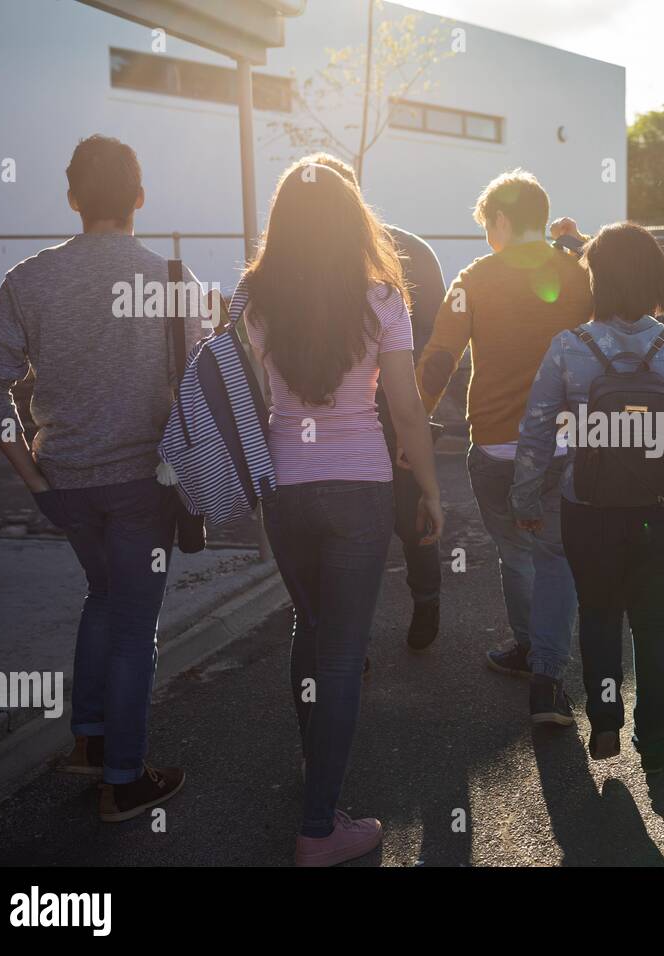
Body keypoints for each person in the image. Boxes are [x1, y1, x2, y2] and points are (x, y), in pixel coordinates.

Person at [0, 135, 203, 821]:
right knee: (135, 624)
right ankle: (123, 781)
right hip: (141, 480)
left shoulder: (29, 278)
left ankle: (92, 743)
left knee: (103, 598)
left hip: (65, 481)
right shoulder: (170, 280)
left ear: (72, 198)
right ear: (139, 196)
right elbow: (193, 390)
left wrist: (32, 477)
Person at [239, 159, 443, 866]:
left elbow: (241, 396)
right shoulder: (382, 296)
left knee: (311, 627)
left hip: (284, 487)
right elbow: (407, 409)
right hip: (360, 486)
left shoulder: (254, 297)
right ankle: (320, 826)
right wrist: (432, 490)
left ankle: (315, 772)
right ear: (353, 218)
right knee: (342, 652)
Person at [510, 223, 664, 773]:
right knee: (656, 623)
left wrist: (527, 499)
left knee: (600, 615)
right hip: (661, 508)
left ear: (596, 279)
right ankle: (655, 737)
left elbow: (537, 431)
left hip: (589, 509)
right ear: (657, 277)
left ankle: (605, 719)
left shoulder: (567, 348)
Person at [415, 169, 591, 726]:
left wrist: (411, 421)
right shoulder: (578, 274)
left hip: (494, 447)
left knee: (517, 555)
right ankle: (546, 678)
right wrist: (579, 249)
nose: (486, 237)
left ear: (502, 221)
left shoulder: (475, 278)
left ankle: (527, 648)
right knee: (555, 556)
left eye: (488, 225)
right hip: (566, 442)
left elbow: (441, 357)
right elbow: (630, 307)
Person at [295, 153, 448, 651]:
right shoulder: (412, 250)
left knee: (351, 527)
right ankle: (422, 602)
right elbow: (435, 339)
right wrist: (418, 409)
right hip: (391, 404)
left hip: (336, 413)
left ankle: (348, 638)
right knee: (411, 513)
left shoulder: (301, 258)